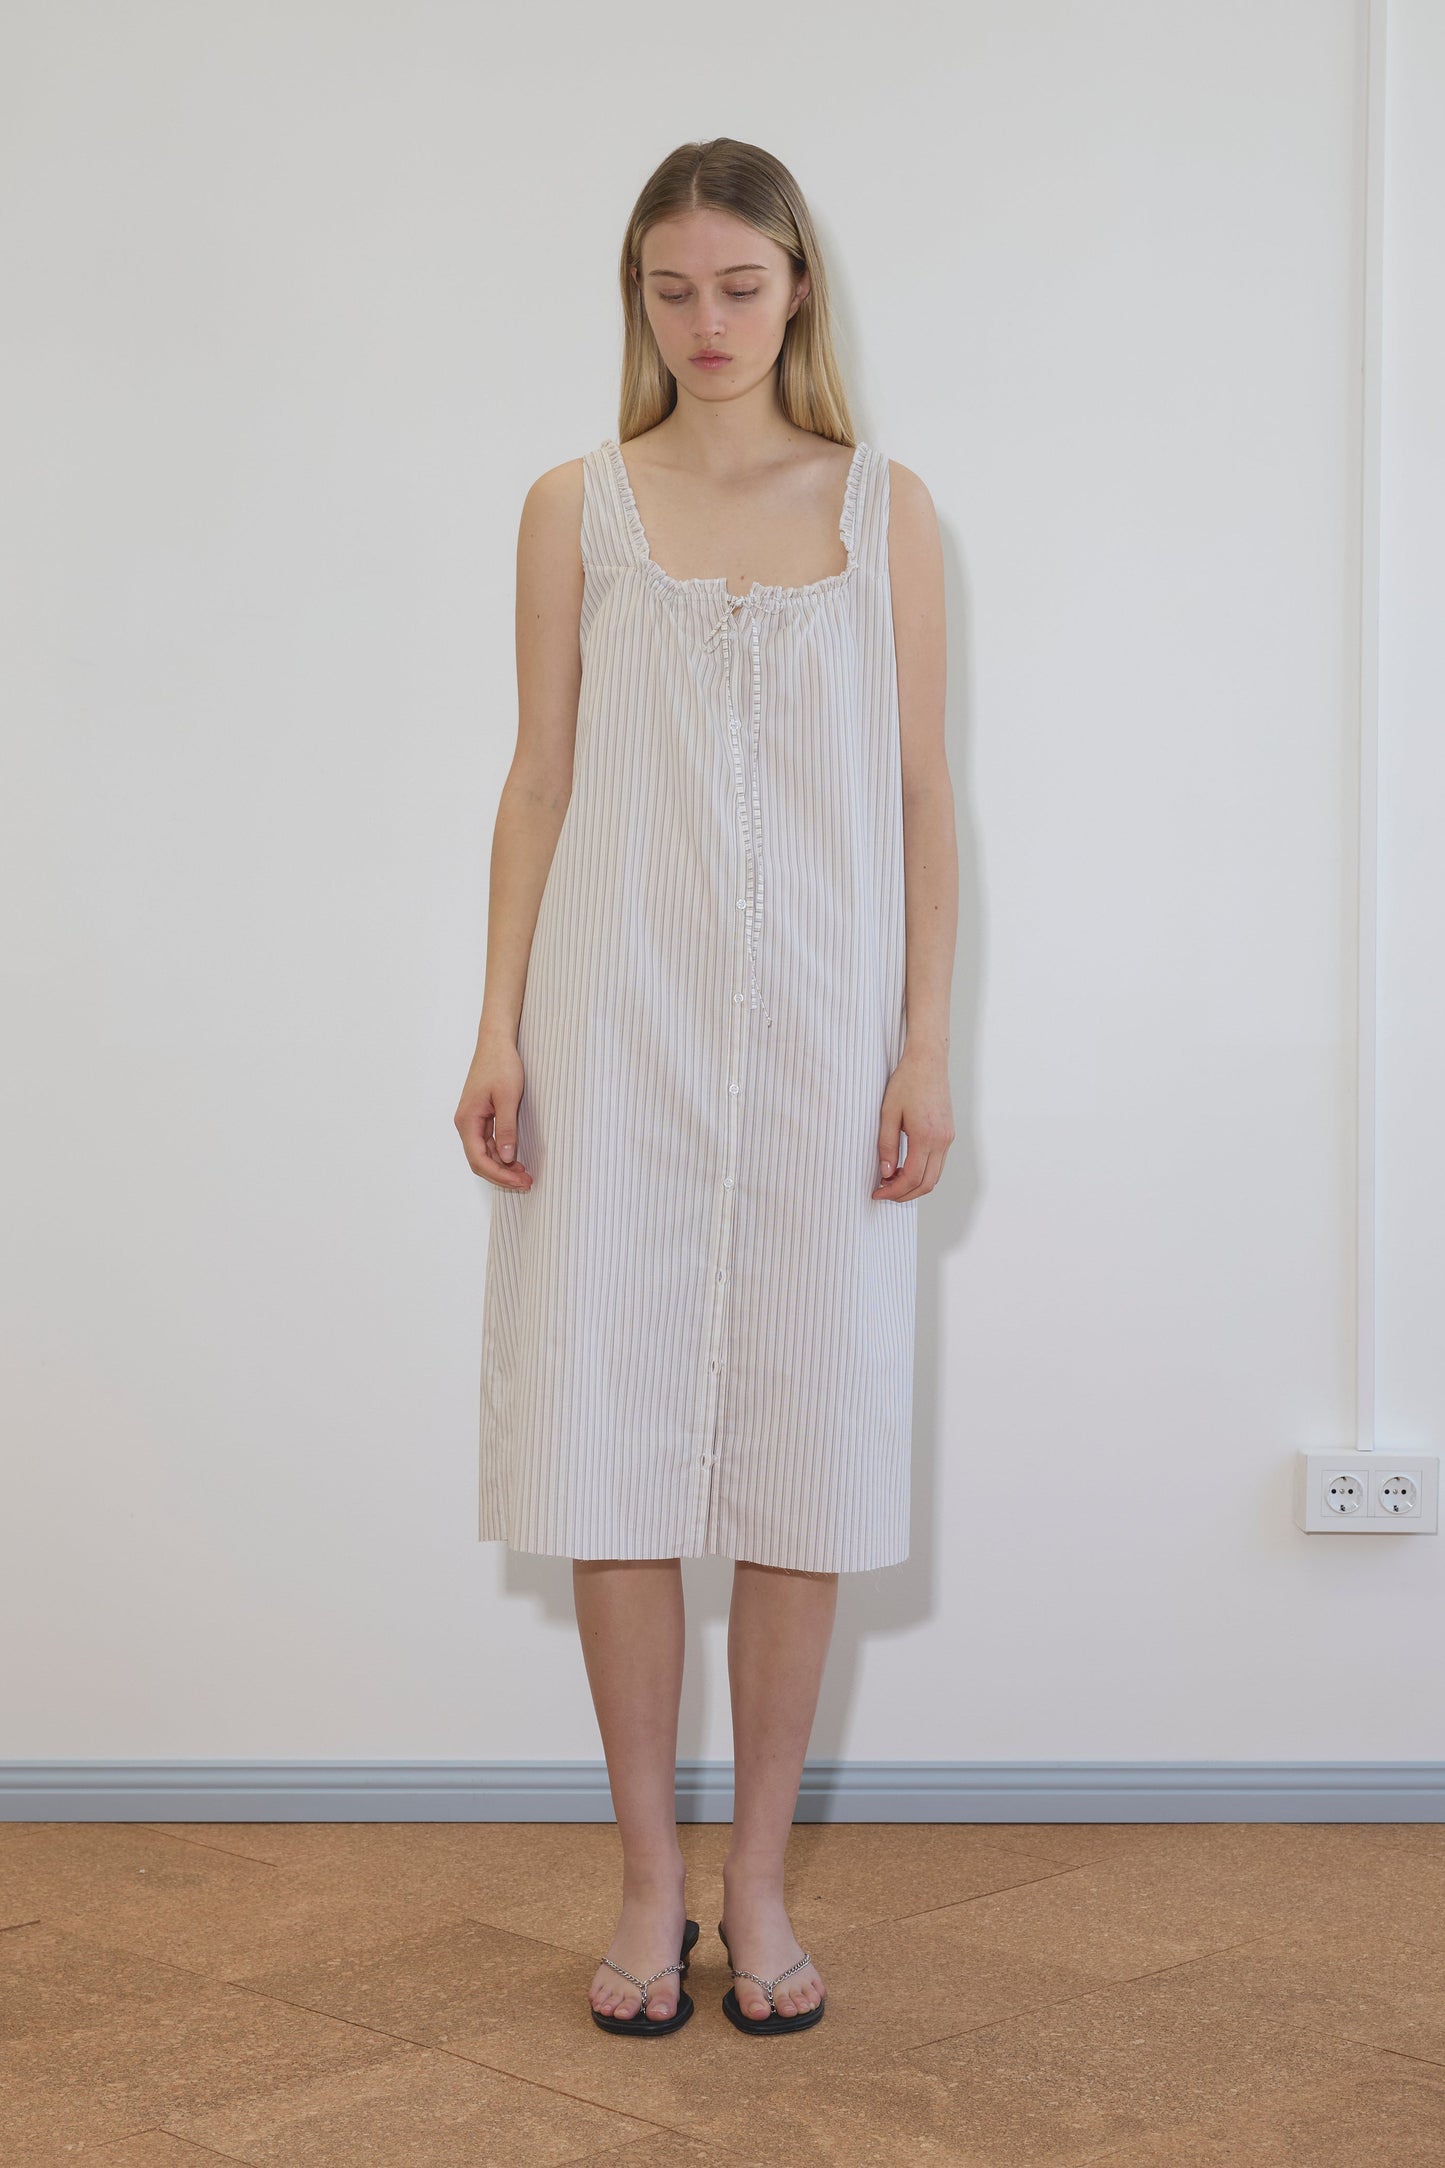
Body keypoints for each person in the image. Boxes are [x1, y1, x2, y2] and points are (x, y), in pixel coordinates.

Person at [455, 137, 957, 2037]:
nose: (707, 322)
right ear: (638, 300)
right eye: (672, 290)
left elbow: (922, 800)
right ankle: (645, 1886)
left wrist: (923, 1039)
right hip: (615, 1020)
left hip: (828, 1038)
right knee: (613, 1444)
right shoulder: (572, 505)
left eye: (738, 286)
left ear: (797, 286)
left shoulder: (885, 510)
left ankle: (755, 1890)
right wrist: (499, 1022)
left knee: (804, 1460)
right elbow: (537, 781)